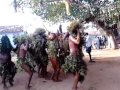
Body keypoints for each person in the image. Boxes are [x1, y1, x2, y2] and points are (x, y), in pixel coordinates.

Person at [62, 21, 87, 90]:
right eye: (77, 30)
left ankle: (75, 87)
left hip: (77, 56)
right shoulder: (70, 36)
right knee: (77, 73)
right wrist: (78, 32)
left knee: (77, 73)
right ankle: (74, 88)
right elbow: (77, 42)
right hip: (74, 56)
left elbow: (79, 44)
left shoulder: (75, 36)